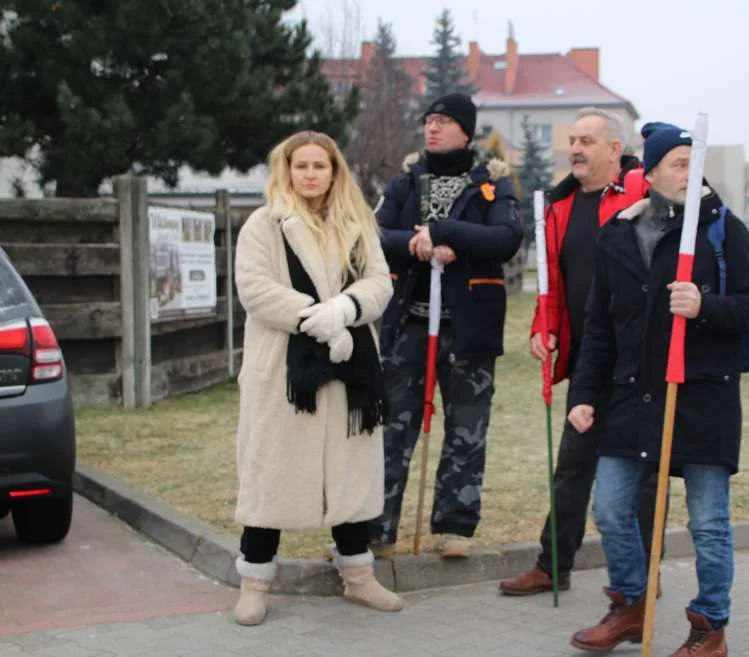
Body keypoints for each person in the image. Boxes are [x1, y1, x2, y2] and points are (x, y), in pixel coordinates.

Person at [567, 122, 749, 655]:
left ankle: (709, 629)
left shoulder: (721, 230)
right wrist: (584, 395)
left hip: (702, 396)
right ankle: (632, 605)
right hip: (633, 397)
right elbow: (599, 328)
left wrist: (705, 307)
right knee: (611, 507)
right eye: (679, 162)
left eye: (695, 162)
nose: (689, 172)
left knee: (707, 523)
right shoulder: (616, 234)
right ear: (651, 171)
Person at [232, 130, 401, 626]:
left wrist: (346, 309)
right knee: (272, 472)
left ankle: (359, 577)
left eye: (319, 166)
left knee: (350, 472)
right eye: (301, 166)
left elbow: (379, 283)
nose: (310, 175)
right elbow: (255, 289)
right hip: (285, 371)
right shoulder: (263, 225)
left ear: (334, 171)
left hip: (354, 367)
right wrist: (317, 318)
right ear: (287, 171)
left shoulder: (356, 222)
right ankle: (255, 582)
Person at [498, 107, 664, 597]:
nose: (575, 148)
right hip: (591, 361)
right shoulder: (558, 207)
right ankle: (552, 566)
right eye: (572, 139)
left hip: (642, 363)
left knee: (644, 476)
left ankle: (643, 579)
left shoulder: (640, 192)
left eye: (587, 140)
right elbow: (551, 282)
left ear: (614, 149)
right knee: (572, 465)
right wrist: (542, 326)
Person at [370, 93, 524, 559]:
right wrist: (418, 243)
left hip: (468, 328)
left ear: (465, 130)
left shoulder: (493, 183)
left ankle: (454, 526)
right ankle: (377, 528)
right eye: (428, 121)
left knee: (466, 427)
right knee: (392, 428)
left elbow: (506, 238)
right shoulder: (405, 182)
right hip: (408, 326)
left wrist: (449, 235)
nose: (432, 129)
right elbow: (376, 236)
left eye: (443, 121)